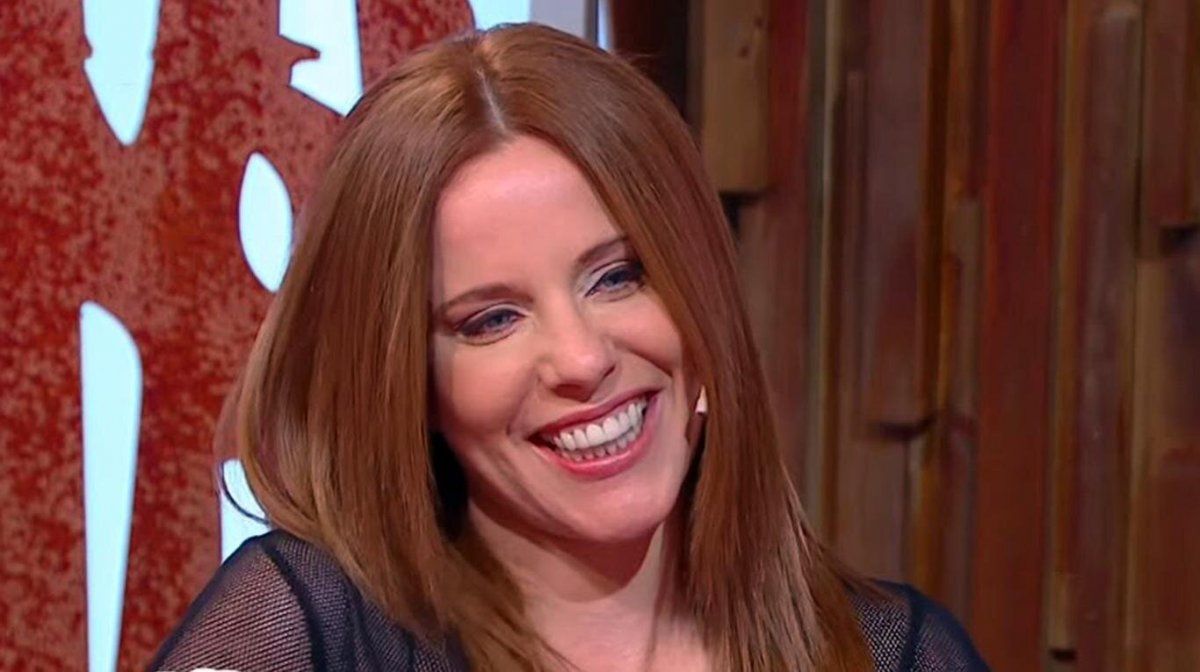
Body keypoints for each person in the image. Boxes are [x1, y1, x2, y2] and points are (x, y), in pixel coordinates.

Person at [150, 23, 988, 672]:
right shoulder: (315, 635)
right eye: (491, 320)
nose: (582, 361)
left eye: (619, 276)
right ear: (411, 385)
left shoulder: (897, 655)